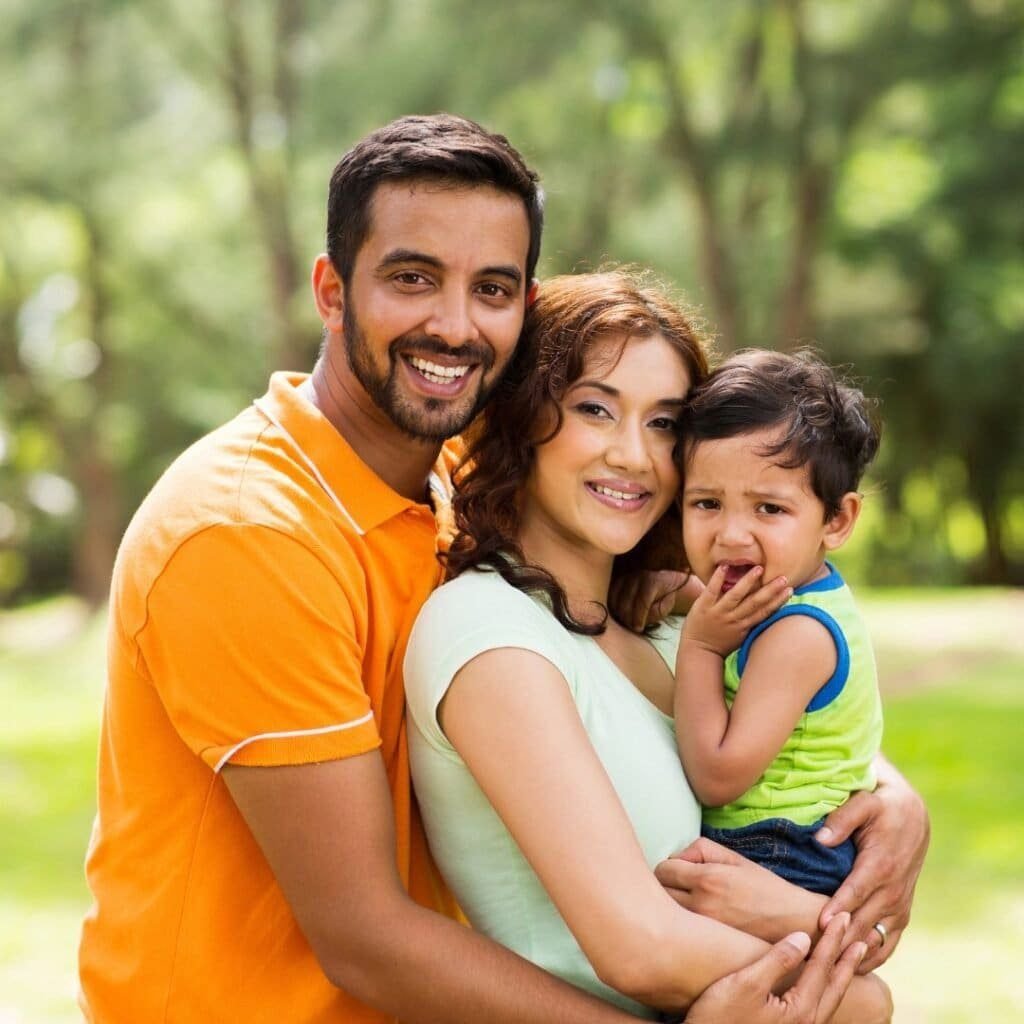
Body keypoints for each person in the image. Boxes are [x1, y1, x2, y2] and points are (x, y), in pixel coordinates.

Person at [76, 112, 922, 1022]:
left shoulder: (460, 497)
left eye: (492, 288)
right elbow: (365, 933)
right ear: (331, 290)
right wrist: (848, 988)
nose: (454, 324)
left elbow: (751, 728)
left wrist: (893, 805)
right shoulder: (248, 533)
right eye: (411, 277)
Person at [403, 271, 893, 1020]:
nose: (634, 456)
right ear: (524, 420)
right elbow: (641, 948)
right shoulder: (489, 634)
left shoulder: (666, 621)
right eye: (596, 410)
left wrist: (895, 801)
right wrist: (847, 967)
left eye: (664, 423)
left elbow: (802, 735)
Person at [673, 350, 883, 899]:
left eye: (769, 509)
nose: (732, 534)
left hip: (782, 854)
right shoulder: (787, 595)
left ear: (836, 520)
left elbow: (718, 777)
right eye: (706, 503)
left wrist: (699, 647)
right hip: (785, 846)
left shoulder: (798, 635)